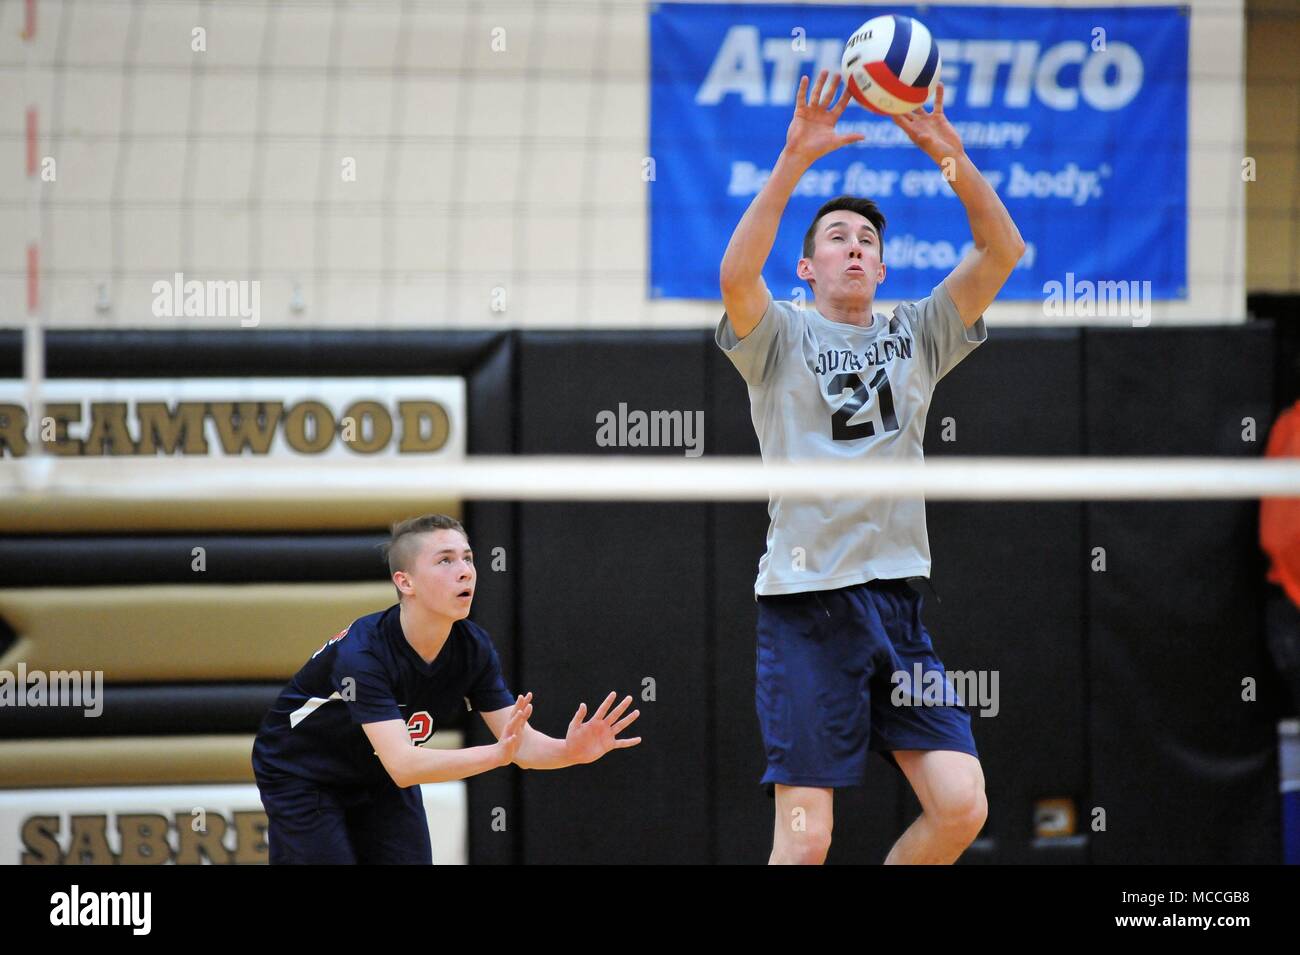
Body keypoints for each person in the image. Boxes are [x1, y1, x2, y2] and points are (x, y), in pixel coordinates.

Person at [716, 71, 1025, 864]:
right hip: (806, 608)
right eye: (837, 239)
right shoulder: (778, 336)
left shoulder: (919, 332)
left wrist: (951, 156)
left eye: (868, 241)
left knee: (961, 805)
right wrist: (792, 162)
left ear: (882, 270)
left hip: (897, 607)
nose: (855, 246)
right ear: (809, 270)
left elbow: (1003, 250)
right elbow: (735, 278)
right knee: (806, 833)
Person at [251, 513, 641, 864]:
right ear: (405, 582)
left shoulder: (473, 648)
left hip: (378, 775)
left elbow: (520, 745)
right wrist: (496, 754)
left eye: (468, 558)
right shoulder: (362, 654)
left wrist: (568, 751)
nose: (466, 571)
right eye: (445, 560)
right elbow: (405, 766)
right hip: (303, 773)